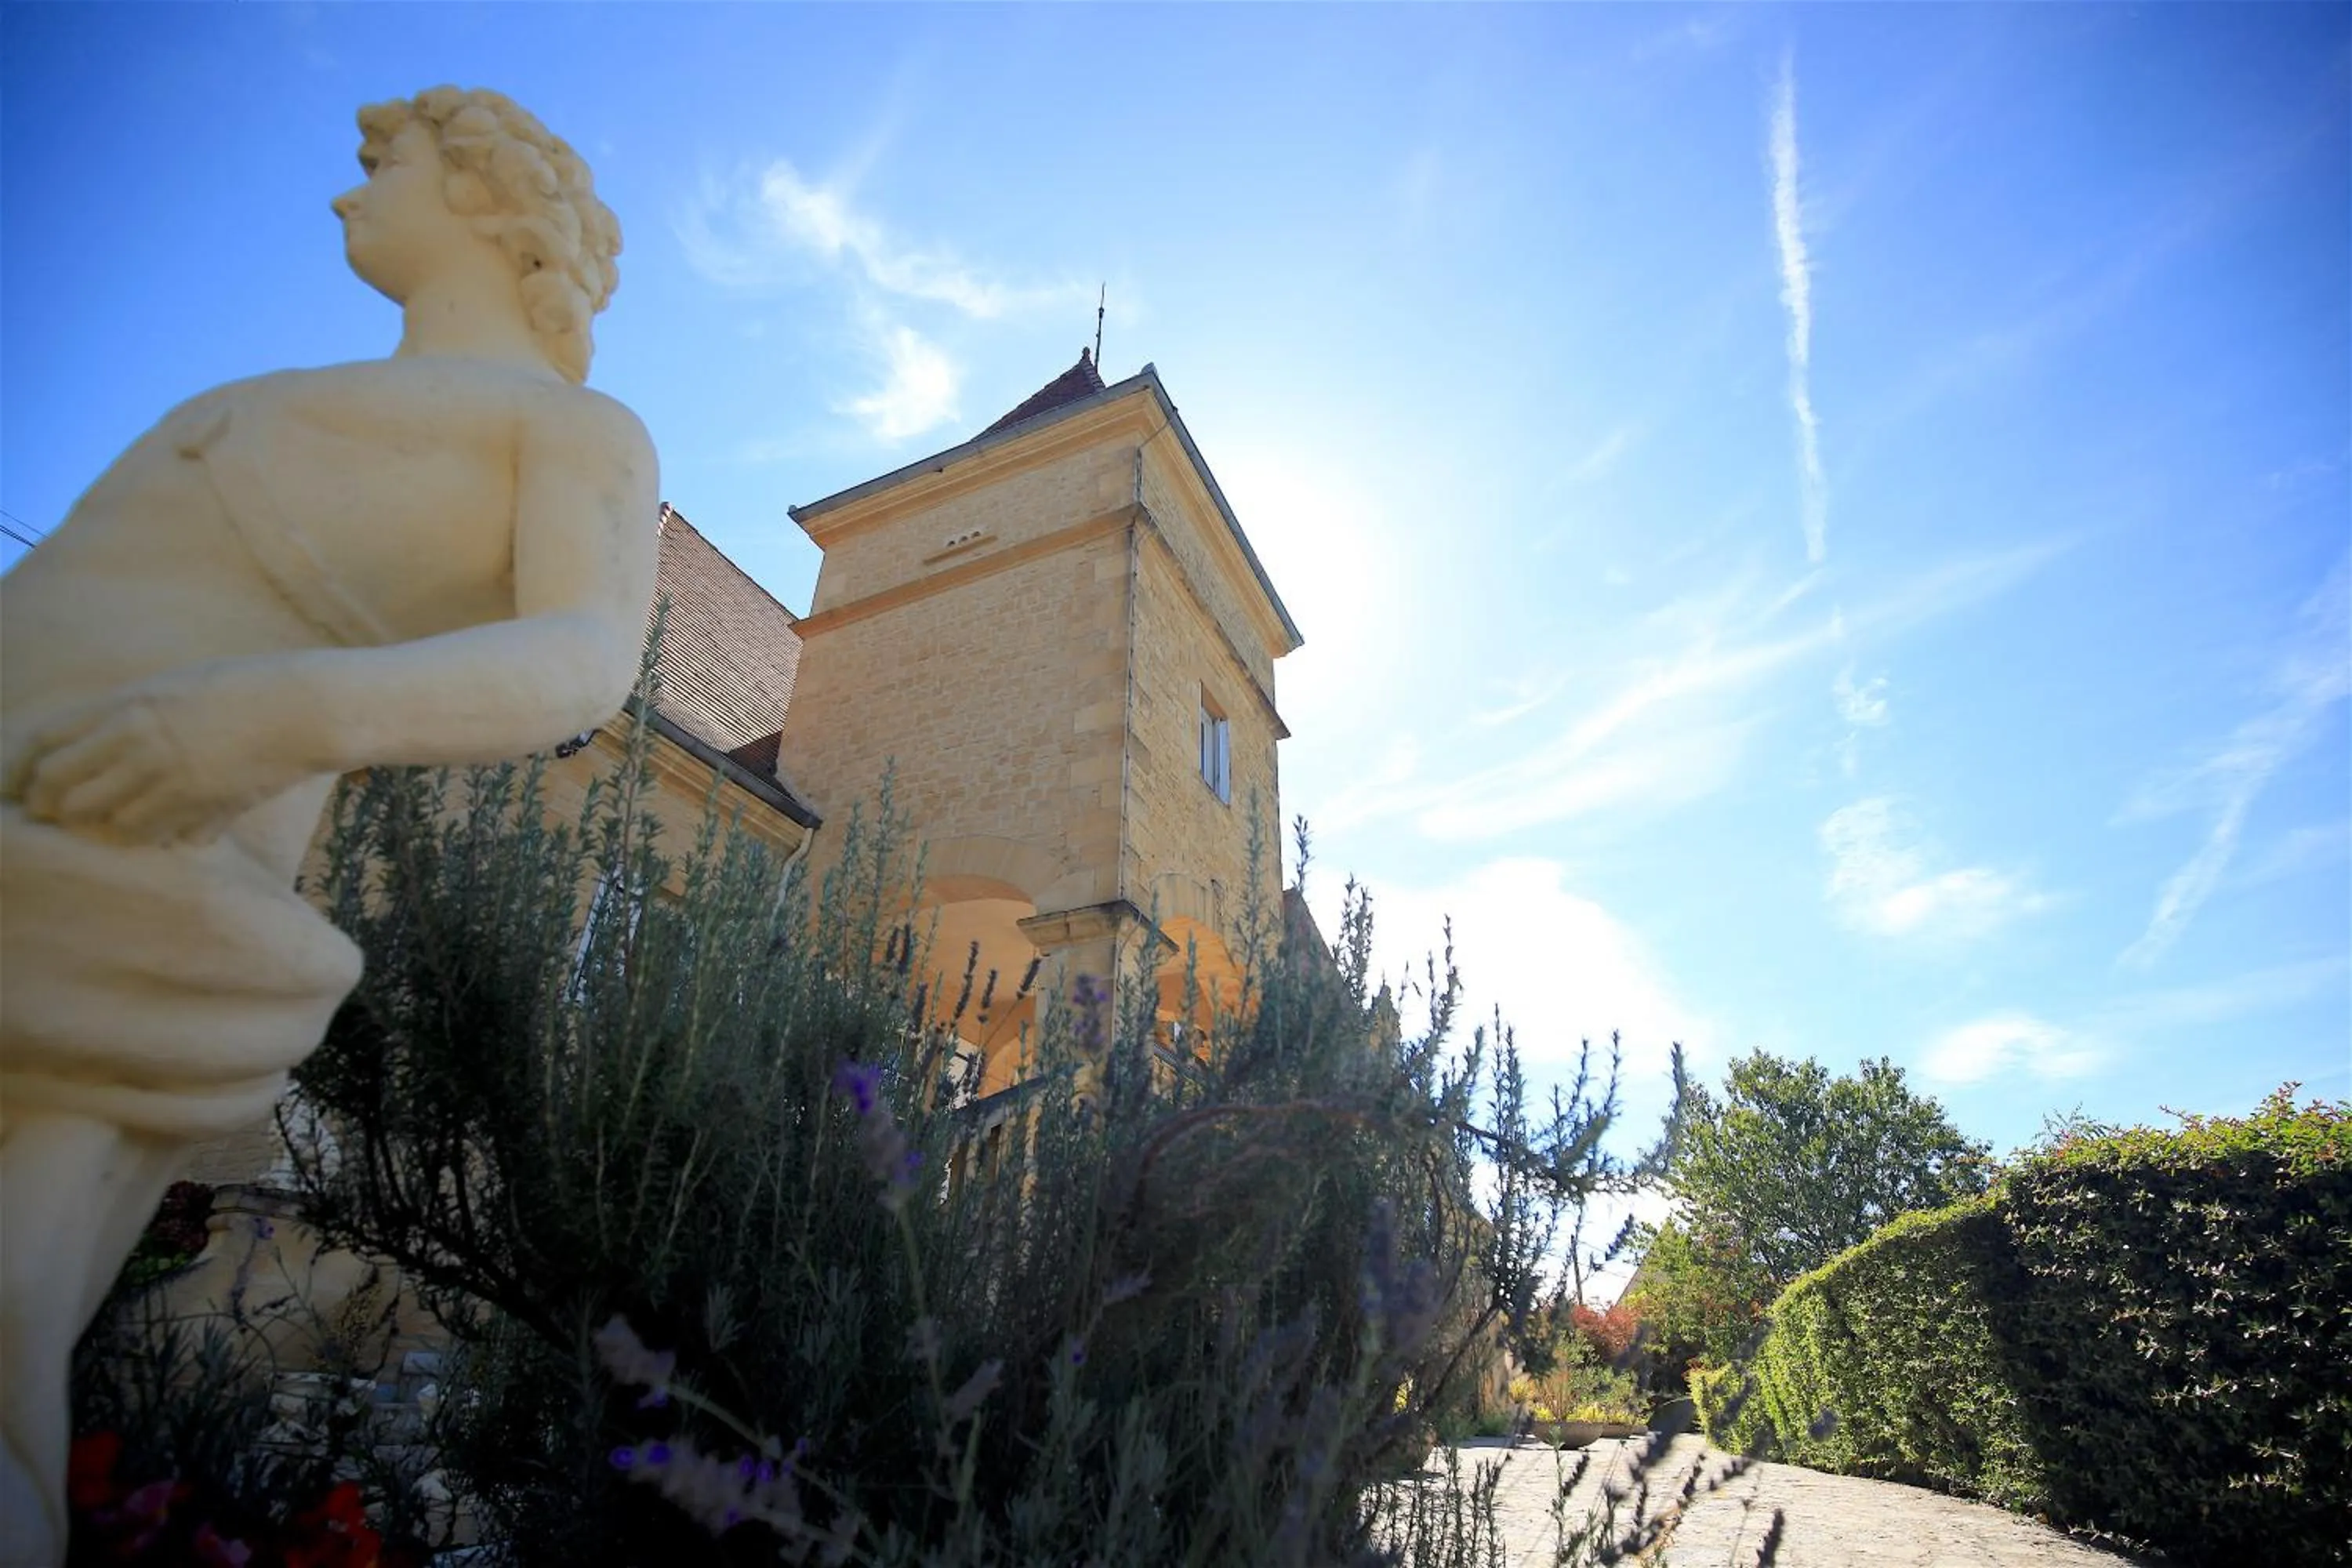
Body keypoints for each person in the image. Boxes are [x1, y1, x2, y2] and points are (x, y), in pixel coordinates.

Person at [0, 87, 659, 1564]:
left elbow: (583, 658)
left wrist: (267, 714)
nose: (351, 196)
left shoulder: (571, 432)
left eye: (389, 165)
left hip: (116, 858)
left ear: (492, 203)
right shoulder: (271, 392)